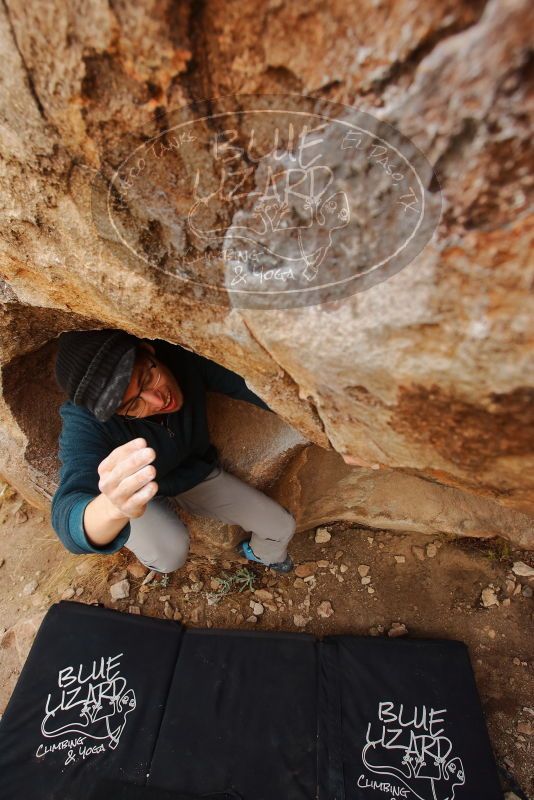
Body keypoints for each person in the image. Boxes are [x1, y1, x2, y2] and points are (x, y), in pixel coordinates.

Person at [51, 329, 296, 574]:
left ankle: (264, 555)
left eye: (147, 379)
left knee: (280, 527)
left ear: (147, 350)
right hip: (133, 492)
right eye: (133, 405)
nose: (158, 401)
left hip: (191, 474)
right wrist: (113, 508)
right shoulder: (86, 422)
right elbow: (67, 515)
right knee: (169, 556)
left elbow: (252, 385)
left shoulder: (180, 357)